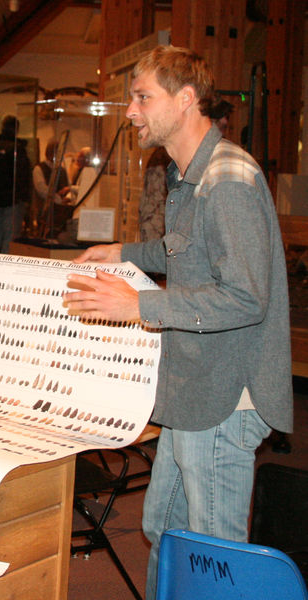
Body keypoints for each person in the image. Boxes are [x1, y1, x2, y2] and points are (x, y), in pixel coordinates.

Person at [63, 45, 292, 600]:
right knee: (164, 534)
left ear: (186, 100)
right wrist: (125, 251)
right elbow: (184, 252)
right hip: (195, 393)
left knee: (213, 558)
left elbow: (245, 298)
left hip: (225, 396)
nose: (132, 112)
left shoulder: (228, 180)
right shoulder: (189, 173)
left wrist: (137, 305)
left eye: (143, 97)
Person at [0, 115, 32, 253]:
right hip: (12, 199)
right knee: (9, 238)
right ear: (16, 129)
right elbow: (23, 176)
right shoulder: (17, 149)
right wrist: (25, 199)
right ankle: (5, 269)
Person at [32, 139, 72, 237]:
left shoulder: (62, 170)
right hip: (45, 210)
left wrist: (68, 197)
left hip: (60, 212)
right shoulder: (39, 168)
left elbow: (69, 186)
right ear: (50, 153)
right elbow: (42, 189)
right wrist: (58, 199)